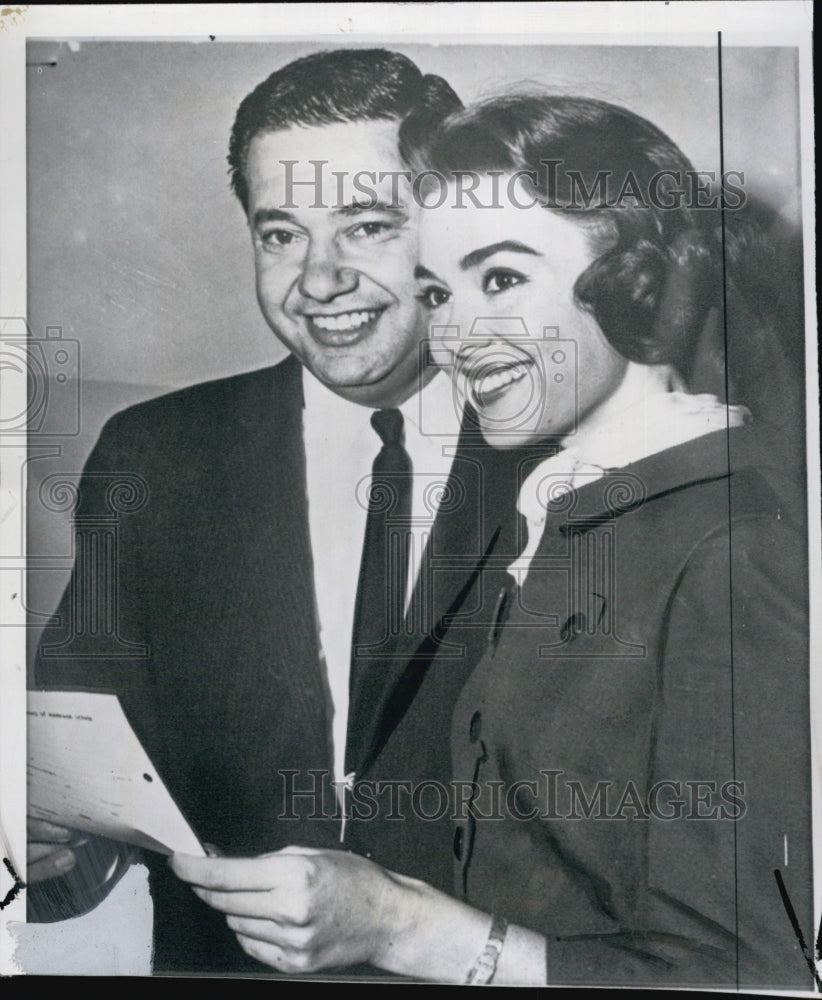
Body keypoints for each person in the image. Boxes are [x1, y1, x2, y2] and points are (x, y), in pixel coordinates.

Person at [167, 94, 812, 990]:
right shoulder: (574, 505)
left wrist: (401, 927)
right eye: (438, 292)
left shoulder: (736, 546)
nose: (455, 336)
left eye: (501, 279)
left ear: (638, 280)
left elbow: (756, 979)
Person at [27, 49, 529, 975]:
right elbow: (77, 825)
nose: (319, 280)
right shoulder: (154, 458)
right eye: (282, 234)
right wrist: (44, 841)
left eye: (366, 226)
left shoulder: (574, 452)